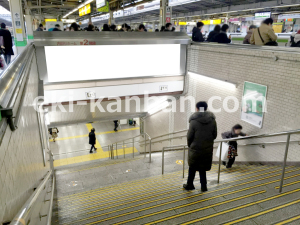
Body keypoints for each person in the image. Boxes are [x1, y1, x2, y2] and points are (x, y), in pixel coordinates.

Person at [183, 101, 217, 192]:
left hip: (195, 148)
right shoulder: (212, 120)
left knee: (192, 167)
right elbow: (215, 135)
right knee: (202, 168)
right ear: (205, 108)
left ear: (197, 108)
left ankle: (190, 184)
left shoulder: (193, 122)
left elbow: (189, 136)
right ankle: (204, 187)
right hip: (207, 148)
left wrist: (190, 145)